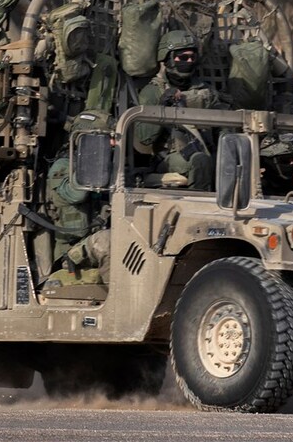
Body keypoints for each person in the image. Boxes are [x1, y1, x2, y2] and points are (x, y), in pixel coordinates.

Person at [134, 30, 229, 190]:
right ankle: (198, 202)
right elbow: (144, 137)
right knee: (200, 161)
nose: (189, 61)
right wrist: (162, 107)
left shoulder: (205, 91)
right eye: (183, 58)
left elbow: (224, 127)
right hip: (169, 158)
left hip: (207, 151)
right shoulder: (153, 91)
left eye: (193, 57)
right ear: (168, 58)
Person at [43, 110, 113, 287]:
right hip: (71, 255)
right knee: (106, 241)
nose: (112, 143)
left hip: (90, 247)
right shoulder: (62, 166)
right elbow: (76, 194)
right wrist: (92, 155)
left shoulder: (103, 166)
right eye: (104, 139)